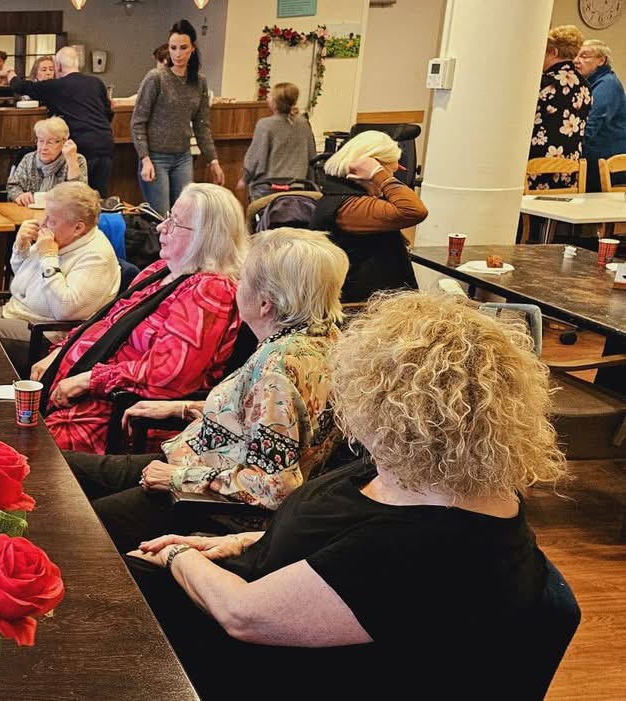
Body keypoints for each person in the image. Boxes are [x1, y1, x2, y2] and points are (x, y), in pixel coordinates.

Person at [126, 292, 569, 700]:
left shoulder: (424, 544)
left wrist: (178, 555)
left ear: (391, 405)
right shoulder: (420, 467)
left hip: (250, 657)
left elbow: (242, 615)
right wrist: (241, 542)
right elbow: (335, 540)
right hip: (241, 585)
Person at [66, 229, 346, 550]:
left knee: (75, 523)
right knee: (65, 470)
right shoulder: (323, 338)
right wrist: (183, 408)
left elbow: (274, 485)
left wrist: (176, 477)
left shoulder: (278, 367)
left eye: (243, 279)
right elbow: (263, 417)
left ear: (265, 303)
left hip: (210, 504)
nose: (236, 284)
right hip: (198, 461)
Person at [33, 183, 247, 454]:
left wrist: (90, 379)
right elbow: (108, 322)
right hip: (78, 393)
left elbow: (169, 374)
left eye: (175, 223)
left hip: (116, 411)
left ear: (206, 236)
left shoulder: (210, 290)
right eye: (167, 217)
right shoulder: (162, 268)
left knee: (27, 452)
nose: (161, 228)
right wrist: (61, 352)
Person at [0, 182, 121, 373]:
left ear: (78, 228)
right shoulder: (62, 237)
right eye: (44, 215)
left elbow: (66, 310)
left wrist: (48, 257)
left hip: (45, 336)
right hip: (15, 313)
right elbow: (22, 283)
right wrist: (21, 246)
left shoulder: (97, 257)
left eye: (51, 220)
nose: (42, 223)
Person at [311, 130, 428, 303]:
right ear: (369, 167)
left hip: (373, 300)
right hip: (362, 306)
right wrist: (381, 175)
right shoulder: (350, 206)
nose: (392, 177)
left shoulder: (340, 194)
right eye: (390, 172)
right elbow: (414, 210)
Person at [132, 20, 223, 215]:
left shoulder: (199, 81)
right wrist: (145, 158)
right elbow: (138, 121)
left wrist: (213, 160)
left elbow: (202, 125)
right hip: (156, 157)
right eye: (173, 48)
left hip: (183, 156)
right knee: (162, 217)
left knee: (184, 214)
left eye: (183, 48)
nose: (178, 54)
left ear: (193, 48)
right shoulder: (156, 77)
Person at [10, 47, 115, 196]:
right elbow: (109, 112)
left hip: (80, 144)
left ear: (58, 66)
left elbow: (21, 87)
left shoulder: (56, 86)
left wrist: (10, 75)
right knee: (99, 194)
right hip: (104, 142)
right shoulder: (96, 82)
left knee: (78, 195)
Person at [530, 25, 592, 191]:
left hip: (537, 166)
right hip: (568, 166)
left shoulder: (544, 82)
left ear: (554, 52)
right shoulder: (585, 86)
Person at [238, 82, 317, 199]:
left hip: (268, 189)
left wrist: (244, 179)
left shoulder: (265, 125)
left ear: (275, 102)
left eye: (270, 95)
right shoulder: (304, 124)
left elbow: (255, 158)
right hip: (297, 188)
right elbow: (312, 157)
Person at [577, 39, 626, 191]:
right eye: (576, 56)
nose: (576, 61)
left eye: (584, 56)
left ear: (601, 60)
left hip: (606, 165)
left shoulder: (607, 84)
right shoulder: (590, 83)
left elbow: (591, 125)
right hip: (597, 161)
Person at [7, 117, 89, 205]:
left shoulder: (76, 159)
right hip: (29, 211)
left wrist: (71, 162)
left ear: (63, 142)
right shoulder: (29, 159)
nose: (43, 147)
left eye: (50, 142)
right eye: (41, 141)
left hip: (62, 211)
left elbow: (80, 195)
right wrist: (19, 195)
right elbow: (13, 186)